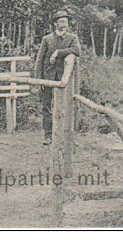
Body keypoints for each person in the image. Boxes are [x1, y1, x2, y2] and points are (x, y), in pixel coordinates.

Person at [33, 10, 82, 145]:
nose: (64, 24)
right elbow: (40, 60)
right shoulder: (47, 39)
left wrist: (59, 52)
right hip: (47, 76)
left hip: (64, 78)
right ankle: (48, 135)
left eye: (66, 21)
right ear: (55, 24)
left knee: (66, 105)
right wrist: (38, 80)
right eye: (61, 21)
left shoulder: (72, 38)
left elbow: (77, 51)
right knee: (46, 106)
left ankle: (67, 135)